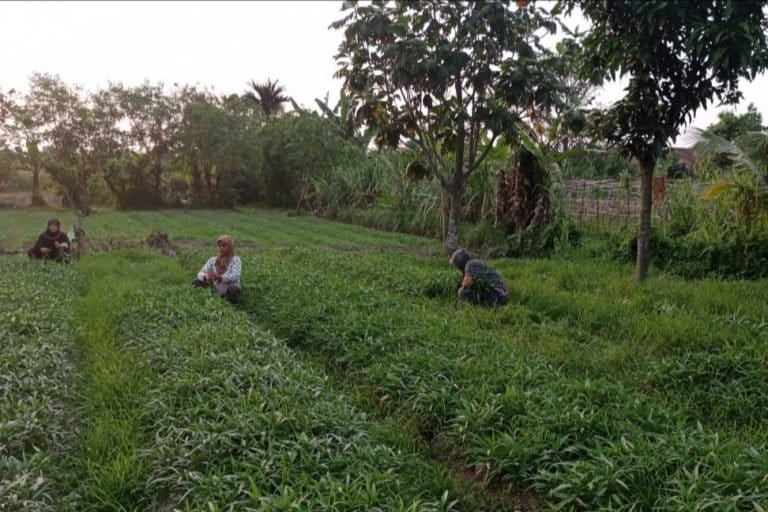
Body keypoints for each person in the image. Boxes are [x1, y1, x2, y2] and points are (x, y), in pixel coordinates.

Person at [193, 235, 242, 303]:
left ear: (230, 247)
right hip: (215, 286)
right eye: (219, 246)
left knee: (233, 290)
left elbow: (235, 276)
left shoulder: (235, 260)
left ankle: (229, 304)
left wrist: (220, 278)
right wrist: (206, 276)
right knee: (197, 281)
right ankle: (203, 298)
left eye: (224, 246)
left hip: (228, 287)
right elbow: (200, 273)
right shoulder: (213, 260)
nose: (221, 248)